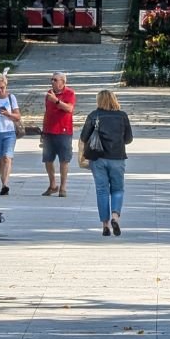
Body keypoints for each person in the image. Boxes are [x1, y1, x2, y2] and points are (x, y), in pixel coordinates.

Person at [80, 89, 133, 237]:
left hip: (98, 158)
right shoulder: (122, 116)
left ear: (99, 101)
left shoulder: (93, 115)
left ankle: (105, 225)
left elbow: (84, 136)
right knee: (117, 189)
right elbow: (129, 138)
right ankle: (115, 216)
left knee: (102, 191)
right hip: (117, 158)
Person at [41, 72, 77, 197]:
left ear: (63, 82)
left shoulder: (69, 93)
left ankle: (63, 187)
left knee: (64, 160)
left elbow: (69, 109)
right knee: (48, 159)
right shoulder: (49, 94)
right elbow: (47, 112)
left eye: (55, 80)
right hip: (48, 131)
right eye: (51, 79)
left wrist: (56, 101)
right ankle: (52, 185)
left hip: (63, 131)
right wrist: (43, 130)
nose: (52, 82)